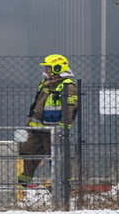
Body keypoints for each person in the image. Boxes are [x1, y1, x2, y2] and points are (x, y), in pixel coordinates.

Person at [17, 54, 78, 187]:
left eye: (48, 68)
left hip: (55, 131)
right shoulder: (45, 84)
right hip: (38, 130)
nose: (45, 71)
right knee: (28, 152)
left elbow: (69, 112)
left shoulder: (68, 86)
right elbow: (37, 106)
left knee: (58, 159)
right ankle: (22, 183)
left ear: (57, 68)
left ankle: (63, 189)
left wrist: (63, 131)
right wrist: (30, 126)